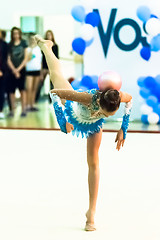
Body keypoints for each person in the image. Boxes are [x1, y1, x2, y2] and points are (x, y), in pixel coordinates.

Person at [34, 35, 132, 231]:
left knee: (94, 163)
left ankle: (91, 213)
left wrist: (123, 128)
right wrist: (63, 122)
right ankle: (45, 46)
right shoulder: (86, 97)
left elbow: (130, 101)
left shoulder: (118, 97)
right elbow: (54, 94)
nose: (108, 115)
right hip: (74, 110)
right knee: (56, 74)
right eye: (106, 113)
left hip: (93, 125)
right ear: (100, 104)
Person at [7, 27, 28, 117]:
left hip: (22, 70)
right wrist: (14, 70)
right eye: (14, 33)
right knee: (11, 91)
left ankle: (23, 110)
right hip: (12, 71)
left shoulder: (24, 43)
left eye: (17, 33)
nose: (16, 35)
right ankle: (13, 109)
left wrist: (18, 69)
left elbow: (26, 58)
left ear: (19, 34)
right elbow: (8, 59)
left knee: (22, 90)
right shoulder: (10, 44)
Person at [35, 30, 59, 102]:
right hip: (45, 66)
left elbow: (56, 57)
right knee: (40, 82)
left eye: (50, 35)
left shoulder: (55, 46)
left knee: (52, 84)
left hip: (52, 67)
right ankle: (35, 98)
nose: (49, 36)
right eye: (47, 35)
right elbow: (42, 58)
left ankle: (51, 100)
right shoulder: (44, 47)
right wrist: (42, 70)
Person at [26, 33, 42, 111]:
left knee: (35, 89)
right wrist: (31, 49)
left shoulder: (39, 49)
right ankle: (28, 105)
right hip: (29, 70)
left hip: (37, 70)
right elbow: (28, 59)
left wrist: (41, 73)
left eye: (34, 39)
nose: (33, 41)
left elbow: (40, 61)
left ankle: (32, 104)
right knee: (29, 88)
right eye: (31, 39)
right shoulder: (28, 49)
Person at [0, 30, 8, 119]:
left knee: (1, 91)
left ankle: (1, 110)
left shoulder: (4, 44)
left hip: (3, 72)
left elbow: (5, 58)